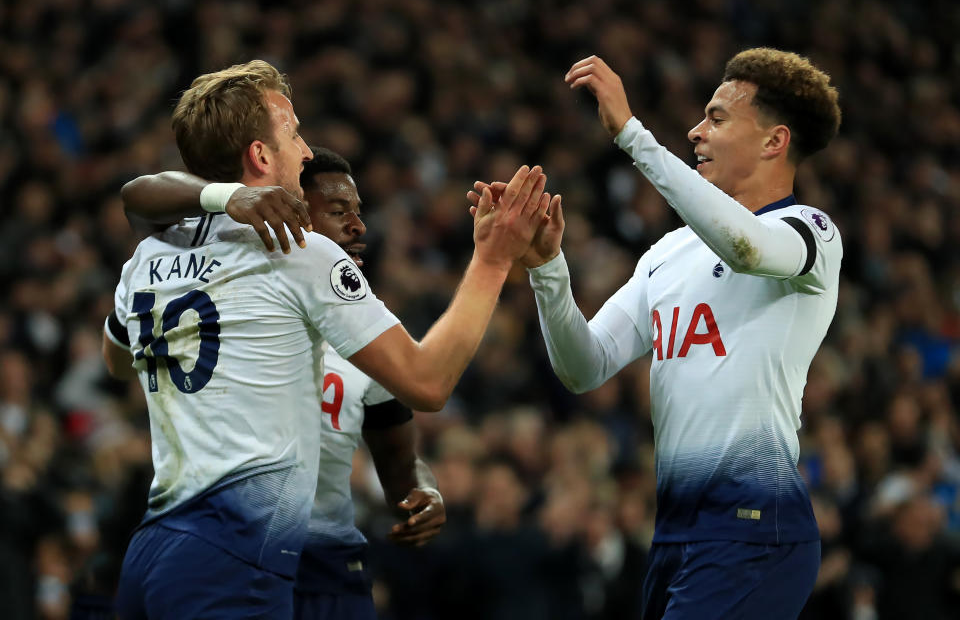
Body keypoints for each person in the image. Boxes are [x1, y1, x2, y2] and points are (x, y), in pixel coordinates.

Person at [102, 59, 549, 619]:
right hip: (231, 560)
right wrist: (492, 258)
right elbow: (429, 383)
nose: (307, 150)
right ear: (260, 156)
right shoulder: (298, 251)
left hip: (151, 554)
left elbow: (117, 364)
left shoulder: (146, 257)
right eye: (293, 133)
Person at [472, 49, 843, 618]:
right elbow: (584, 367)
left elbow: (746, 248)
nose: (696, 131)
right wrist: (547, 268)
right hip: (674, 534)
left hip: (755, 531)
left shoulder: (810, 233)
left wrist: (632, 135)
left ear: (774, 142)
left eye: (717, 118)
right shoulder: (669, 253)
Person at [119, 146, 447, 620]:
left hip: (325, 569)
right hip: (234, 549)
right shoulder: (235, 308)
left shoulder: (376, 344)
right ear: (288, 215)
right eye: (338, 212)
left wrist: (424, 490)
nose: (358, 227)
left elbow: (400, 457)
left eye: (358, 212)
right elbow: (140, 197)